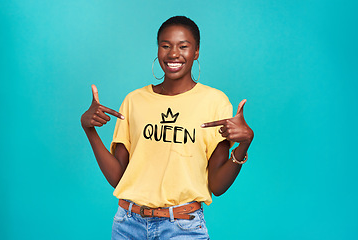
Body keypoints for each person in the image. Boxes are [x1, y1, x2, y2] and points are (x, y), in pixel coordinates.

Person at [81, 16, 254, 240]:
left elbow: (217, 185)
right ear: (158, 50)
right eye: (166, 46)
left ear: (196, 52)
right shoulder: (134, 100)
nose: (173, 54)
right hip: (128, 225)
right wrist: (89, 130)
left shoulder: (215, 102)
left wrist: (244, 144)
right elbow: (118, 177)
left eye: (183, 46)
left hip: (182, 228)